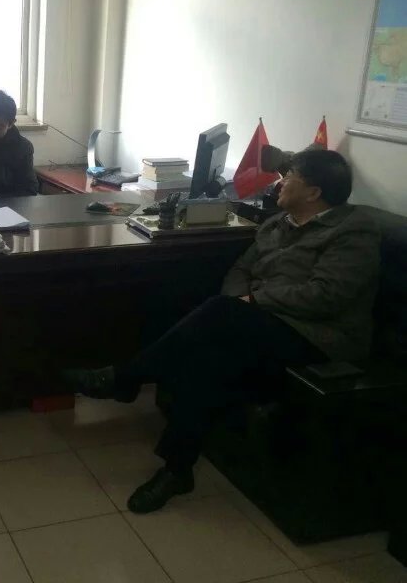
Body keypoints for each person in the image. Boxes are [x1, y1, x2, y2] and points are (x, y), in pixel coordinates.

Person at [63, 149, 381, 514]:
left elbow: (326, 296)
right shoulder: (280, 223)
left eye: (288, 177)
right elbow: (241, 269)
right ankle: (177, 470)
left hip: (315, 338)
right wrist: (240, 302)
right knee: (207, 356)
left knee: (218, 317)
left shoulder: (353, 232)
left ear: (313, 192)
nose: (279, 183)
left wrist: (253, 301)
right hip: (259, 322)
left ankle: (124, 379)